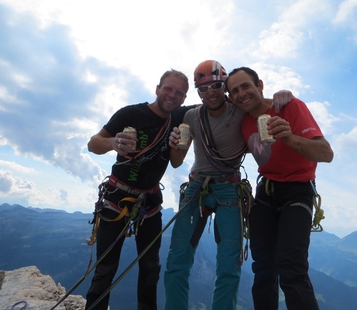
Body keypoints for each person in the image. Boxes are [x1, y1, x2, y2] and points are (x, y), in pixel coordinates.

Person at [164, 60, 292, 310]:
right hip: (198, 186)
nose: (210, 93)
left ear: (224, 86)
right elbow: (178, 161)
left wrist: (283, 95)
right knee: (177, 258)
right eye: (203, 89)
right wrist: (174, 145)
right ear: (198, 92)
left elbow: (259, 102)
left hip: (228, 187)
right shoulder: (191, 116)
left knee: (229, 264)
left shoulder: (241, 111)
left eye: (215, 86)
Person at [225, 67, 334, 310]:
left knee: (291, 266)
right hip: (266, 192)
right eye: (234, 91)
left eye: (245, 86)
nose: (241, 94)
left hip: (298, 190)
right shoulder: (243, 120)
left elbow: (326, 153)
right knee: (263, 267)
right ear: (231, 98)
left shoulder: (289, 107)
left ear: (259, 85)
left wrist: (290, 137)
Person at [85, 69, 193, 310]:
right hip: (118, 197)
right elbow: (93, 144)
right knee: (105, 268)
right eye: (168, 89)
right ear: (157, 89)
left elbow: (176, 162)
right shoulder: (130, 113)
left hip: (149, 199)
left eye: (179, 93)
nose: (173, 95)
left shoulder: (181, 117)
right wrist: (113, 142)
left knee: (150, 267)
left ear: (184, 99)